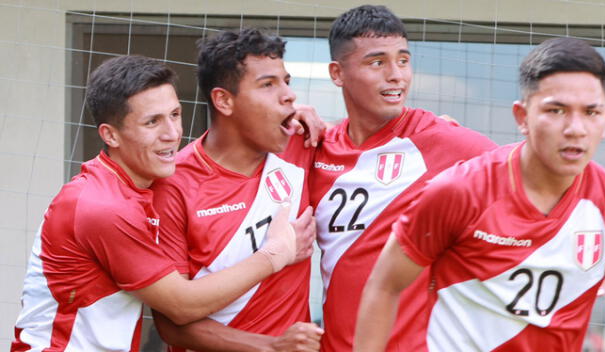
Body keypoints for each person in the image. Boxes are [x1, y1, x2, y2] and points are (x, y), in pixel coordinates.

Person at [354, 37, 605, 351]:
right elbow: (383, 286)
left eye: (591, 112)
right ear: (522, 117)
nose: (575, 128)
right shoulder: (458, 192)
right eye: (556, 111)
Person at [11, 55, 301, 351]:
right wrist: (275, 252)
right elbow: (181, 305)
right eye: (152, 122)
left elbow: (223, 148)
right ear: (110, 135)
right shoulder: (103, 206)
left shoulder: (145, 183)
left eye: (175, 115)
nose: (172, 134)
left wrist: (286, 115)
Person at [309, 5, 497, 351]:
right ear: (337, 73)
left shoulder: (445, 141)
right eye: (377, 62)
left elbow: (533, 173)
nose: (397, 75)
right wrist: (293, 113)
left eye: (403, 60)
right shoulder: (317, 150)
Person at [151, 28, 324, 352]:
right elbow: (171, 324)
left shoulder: (303, 143)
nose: (288, 95)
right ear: (224, 100)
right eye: (268, 85)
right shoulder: (173, 185)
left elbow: (369, 145)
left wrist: (441, 132)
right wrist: (272, 347)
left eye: (286, 81)